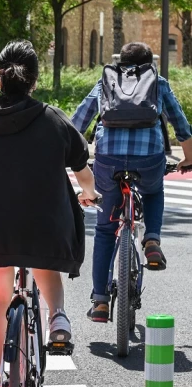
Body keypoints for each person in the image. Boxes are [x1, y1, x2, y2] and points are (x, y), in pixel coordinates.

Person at [0, 41, 98, 387]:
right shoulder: (53, 118)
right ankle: (58, 319)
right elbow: (82, 168)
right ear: (34, 81)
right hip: (44, 226)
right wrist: (89, 193)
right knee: (44, 262)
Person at [71, 42, 192, 322]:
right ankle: (151, 240)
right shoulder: (157, 82)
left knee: (104, 230)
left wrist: (75, 156)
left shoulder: (105, 82)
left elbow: (77, 123)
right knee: (153, 191)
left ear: (119, 61)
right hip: (149, 157)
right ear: (150, 63)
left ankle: (100, 301)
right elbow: (181, 126)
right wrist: (187, 159)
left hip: (108, 159)